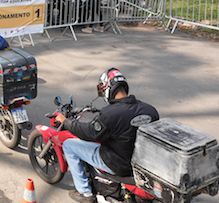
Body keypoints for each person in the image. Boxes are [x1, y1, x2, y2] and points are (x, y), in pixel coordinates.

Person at [54, 68, 159, 203]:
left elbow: (88, 133)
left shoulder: (109, 114)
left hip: (118, 164)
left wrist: (66, 121)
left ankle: (84, 193)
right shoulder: (150, 110)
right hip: (141, 164)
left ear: (107, 88)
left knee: (69, 145)